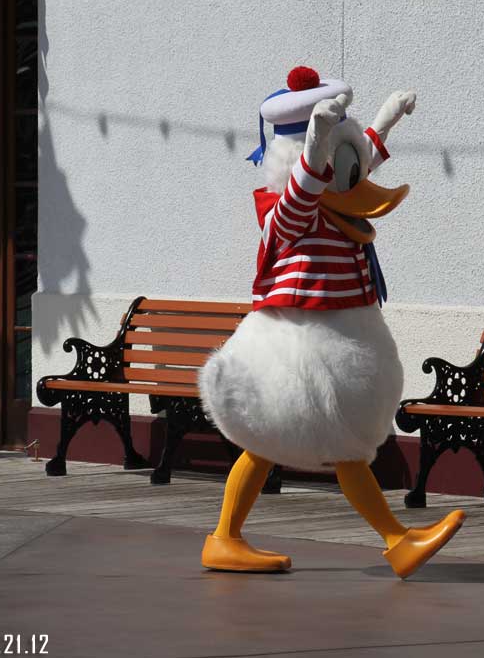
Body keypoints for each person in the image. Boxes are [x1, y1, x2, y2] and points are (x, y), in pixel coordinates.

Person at [197, 67, 465, 579]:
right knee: (335, 451)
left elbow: (353, 168)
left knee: (277, 451)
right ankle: (396, 540)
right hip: (290, 352)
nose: (357, 184)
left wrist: (384, 124)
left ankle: (226, 538)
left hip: (324, 347)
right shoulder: (282, 213)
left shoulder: (336, 192)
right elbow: (305, 193)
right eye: (325, 165)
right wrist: (318, 145)